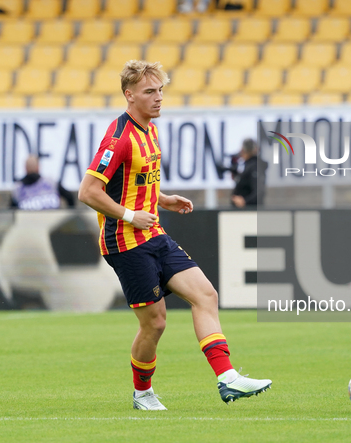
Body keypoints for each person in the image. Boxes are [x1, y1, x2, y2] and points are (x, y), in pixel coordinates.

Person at [78, 60, 271, 410]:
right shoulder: (118, 138)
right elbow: (88, 192)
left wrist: (161, 199)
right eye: (150, 92)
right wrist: (130, 214)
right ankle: (142, 393)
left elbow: (133, 180)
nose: (158, 98)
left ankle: (228, 378)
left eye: (161, 90)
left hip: (152, 231)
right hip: (124, 242)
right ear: (129, 94)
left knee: (206, 295)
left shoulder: (148, 128)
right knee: (156, 324)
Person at [231, 138, 267, 208]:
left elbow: (259, 191)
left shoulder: (254, 167)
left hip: (250, 212)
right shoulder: (249, 166)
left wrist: (245, 201)